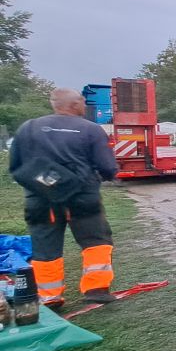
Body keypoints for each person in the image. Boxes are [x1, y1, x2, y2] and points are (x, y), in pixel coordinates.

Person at [8, 88, 119, 307]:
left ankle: (50, 296)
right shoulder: (90, 129)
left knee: (44, 245)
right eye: (82, 101)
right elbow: (107, 167)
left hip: (41, 200)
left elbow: (16, 167)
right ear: (75, 104)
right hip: (82, 198)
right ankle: (97, 289)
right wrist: (104, 176)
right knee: (95, 241)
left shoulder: (28, 128)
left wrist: (47, 184)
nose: (85, 105)